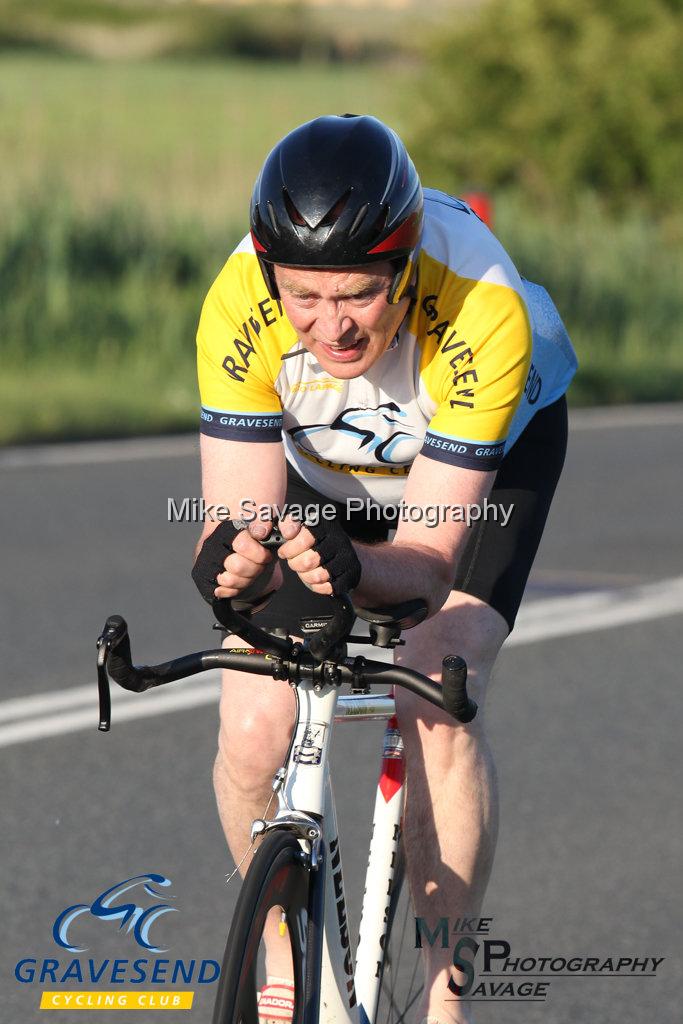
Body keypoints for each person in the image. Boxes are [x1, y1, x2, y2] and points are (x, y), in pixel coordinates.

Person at [191, 114, 577, 1023]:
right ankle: (286, 960)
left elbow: (428, 567)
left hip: (479, 460)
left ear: (403, 268)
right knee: (252, 720)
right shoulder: (233, 306)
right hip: (320, 462)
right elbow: (232, 524)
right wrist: (231, 561)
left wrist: (348, 571)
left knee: (438, 693)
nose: (330, 327)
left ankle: (445, 993)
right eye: (303, 298)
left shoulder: (483, 306)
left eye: (360, 294)